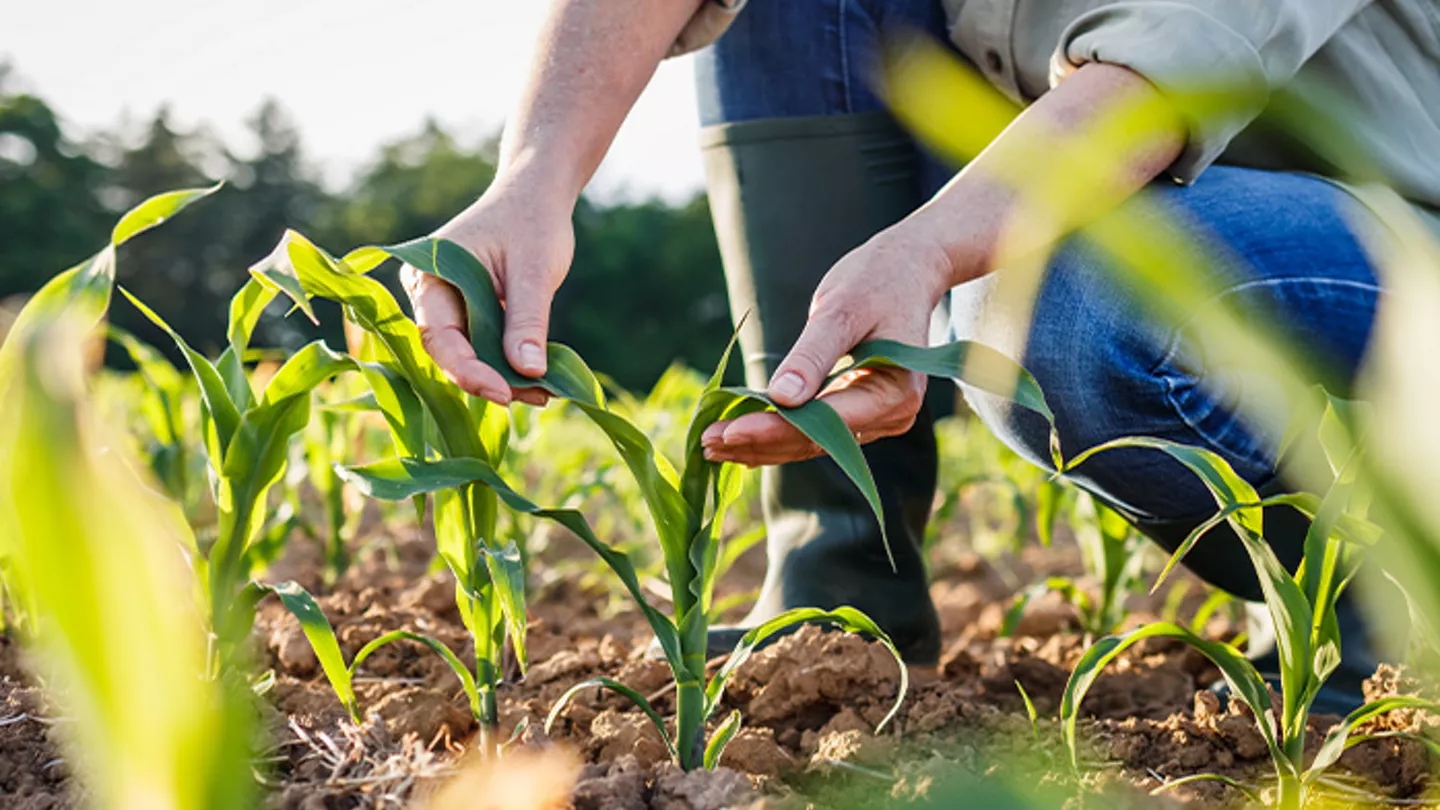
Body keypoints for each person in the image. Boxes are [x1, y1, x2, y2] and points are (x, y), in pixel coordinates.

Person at [401, 0, 1440, 711]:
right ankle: (843, 588)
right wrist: (534, 177)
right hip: (1172, 207)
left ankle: (1399, 606)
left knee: (1063, 301)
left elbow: (1160, 73)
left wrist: (931, 252)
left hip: (1397, 242)